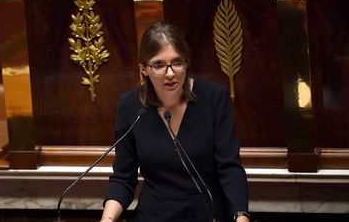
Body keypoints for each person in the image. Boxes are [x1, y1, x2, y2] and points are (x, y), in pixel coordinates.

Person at [101, 22, 249, 222]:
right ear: (143, 69)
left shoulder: (213, 98)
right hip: (153, 216)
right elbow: (123, 178)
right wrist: (107, 219)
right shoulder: (130, 107)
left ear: (186, 63)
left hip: (207, 214)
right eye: (159, 65)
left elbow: (230, 167)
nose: (170, 73)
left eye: (177, 62)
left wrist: (241, 216)